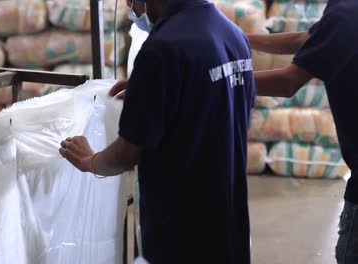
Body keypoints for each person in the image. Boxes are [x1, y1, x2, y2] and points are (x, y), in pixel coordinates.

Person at [59, 0, 255, 263]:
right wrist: (149, 88)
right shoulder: (232, 35)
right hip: (228, 231)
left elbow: (126, 154)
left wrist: (89, 161)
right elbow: (226, 108)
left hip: (181, 239)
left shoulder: (162, 49)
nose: (131, 8)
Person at [246, 1, 358, 263]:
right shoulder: (345, 9)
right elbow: (305, 39)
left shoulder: (345, 13)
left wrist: (222, 77)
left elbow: (288, 82)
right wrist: (242, 38)